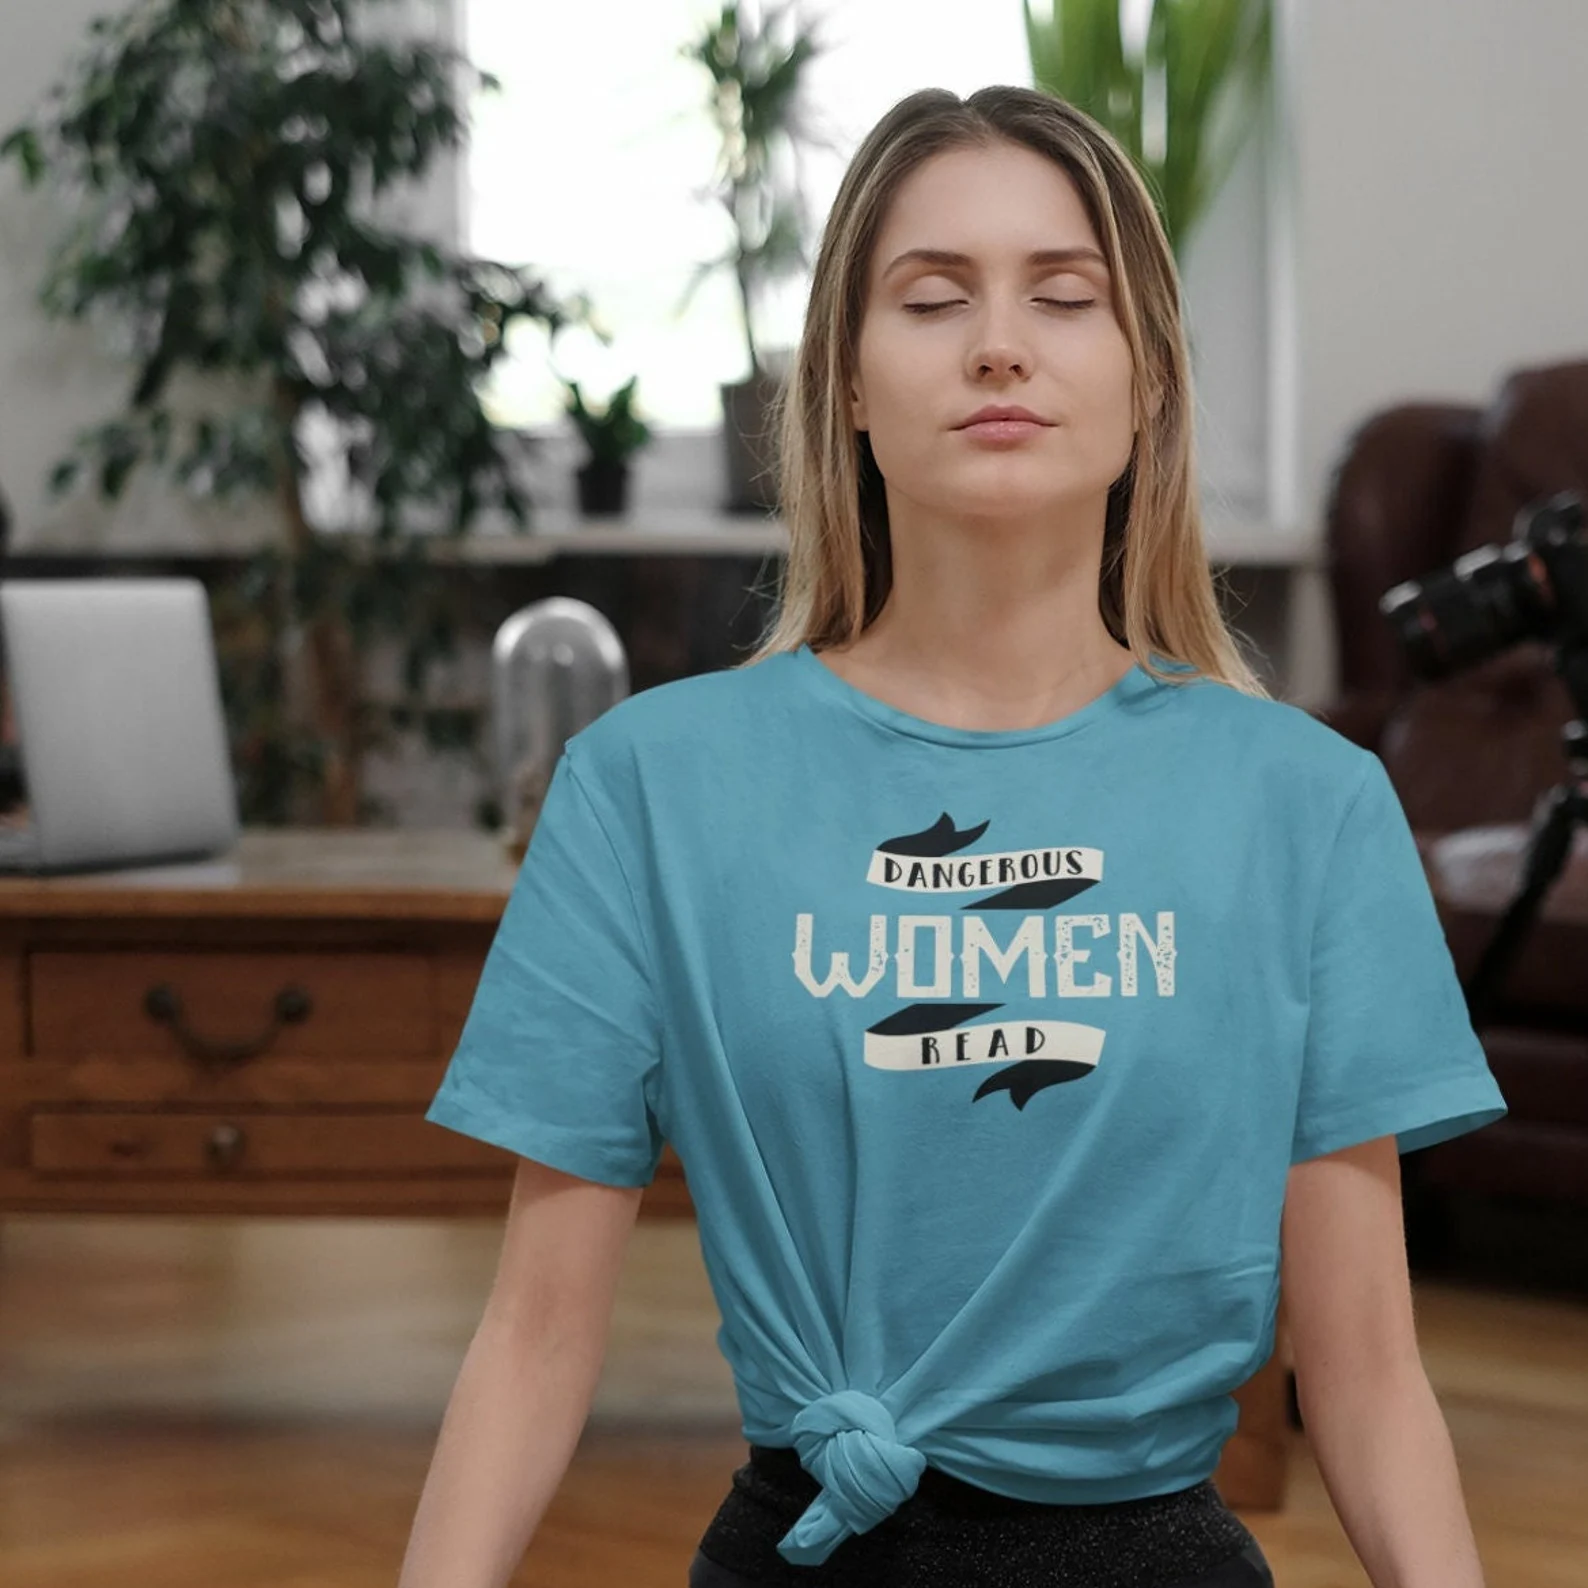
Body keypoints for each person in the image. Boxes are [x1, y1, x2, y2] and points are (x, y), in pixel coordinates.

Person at [401, 84, 1508, 1588]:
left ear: (1149, 385)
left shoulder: (1307, 805)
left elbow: (1370, 1383)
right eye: (932, 298)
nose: (1000, 343)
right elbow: (534, 1340)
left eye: (1065, 296)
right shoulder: (648, 786)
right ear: (845, 386)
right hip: (804, 1549)